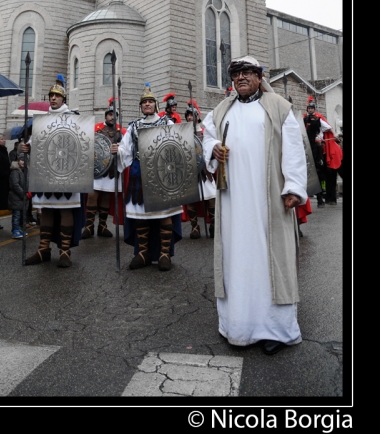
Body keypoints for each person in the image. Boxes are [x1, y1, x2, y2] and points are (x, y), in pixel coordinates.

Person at [202, 55, 307, 356]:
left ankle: (275, 329)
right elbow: (206, 136)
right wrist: (213, 149)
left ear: (260, 77)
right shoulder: (223, 109)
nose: (241, 78)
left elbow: (293, 150)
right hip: (233, 200)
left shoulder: (278, 108)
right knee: (237, 257)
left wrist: (293, 188)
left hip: (268, 199)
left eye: (248, 73)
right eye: (236, 74)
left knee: (269, 259)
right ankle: (237, 325)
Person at [112, 83, 183, 271]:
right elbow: (125, 150)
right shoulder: (134, 126)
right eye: (144, 102)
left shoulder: (167, 123)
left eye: (150, 101)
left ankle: (164, 253)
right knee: (141, 216)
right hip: (139, 175)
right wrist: (116, 150)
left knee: (164, 215)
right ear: (141, 106)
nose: (147, 104)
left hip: (162, 174)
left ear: (156, 105)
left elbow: (177, 145)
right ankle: (143, 252)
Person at [23, 75, 85, 268]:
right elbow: (36, 143)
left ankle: (65, 251)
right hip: (46, 170)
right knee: (47, 209)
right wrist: (28, 148)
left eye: (57, 96)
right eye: (51, 96)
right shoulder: (41, 121)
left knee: (66, 208)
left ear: (63, 99)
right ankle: (43, 249)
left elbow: (83, 142)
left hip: (67, 172)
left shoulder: (73, 117)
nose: (53, 98)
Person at [82, 98, 125, 239]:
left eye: (115, 115)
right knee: (93, 196)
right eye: (110, 114)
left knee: (106, 197)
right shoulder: (97, 129)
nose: (112, 117)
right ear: (106, 115)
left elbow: (125, 150)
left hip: (112, 170)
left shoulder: (121, 132)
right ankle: (89, 227)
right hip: (97, 169)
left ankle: (102, 226)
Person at [182, 100, 216, 239]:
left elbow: (210, 149)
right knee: (191, 200)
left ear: (198, 117)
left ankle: (213, 225)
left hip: (204, 171)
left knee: (212, 197)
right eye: (188, 115)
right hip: (189, 172)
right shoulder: (182, 133)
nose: (190, 118)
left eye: (192, 115)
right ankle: (195, 227)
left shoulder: (204, 133)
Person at [8, 154, 28, 239]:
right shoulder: (15, 171)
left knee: (20, 215)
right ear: (18, 161)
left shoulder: (24, 171)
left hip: (21, 198)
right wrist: (23, 194)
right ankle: (15, 231)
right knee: (16, 215)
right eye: (21, 160)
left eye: (25, 160)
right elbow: (15, 185)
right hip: (16, 198)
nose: (23, 162)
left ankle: (18, 229)